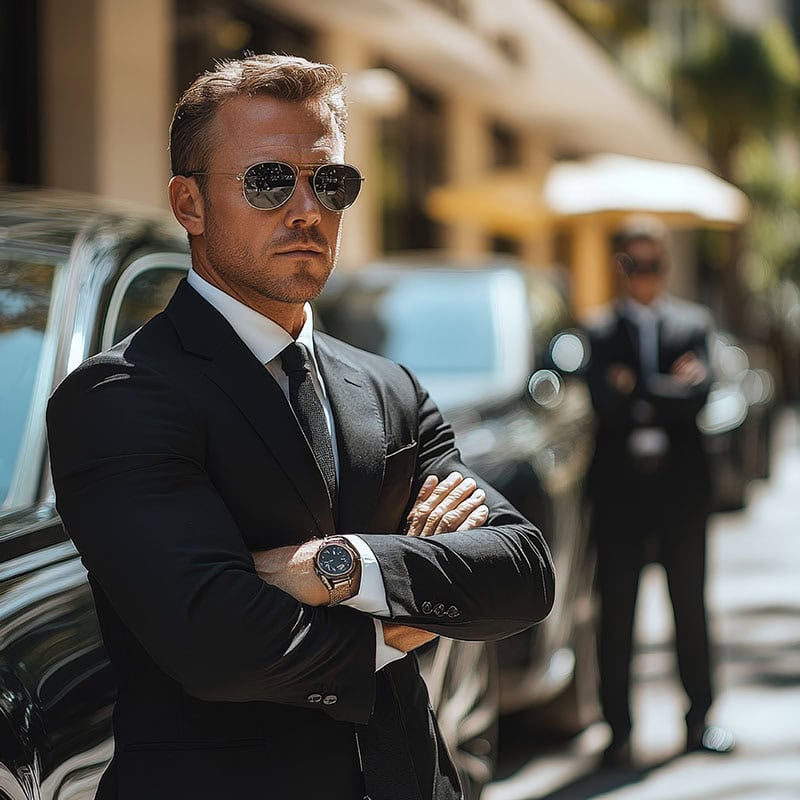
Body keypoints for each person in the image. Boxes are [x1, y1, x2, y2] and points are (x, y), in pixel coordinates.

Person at [45, 54, 555, 800]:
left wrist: (339, 565)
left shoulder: (390, 390)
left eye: (330, 182)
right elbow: (222, 646)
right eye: (268, 180)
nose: (307, 210)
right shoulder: (121, 396)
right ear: (189, 204)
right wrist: (409, 612)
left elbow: (520, 572)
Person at [583, 216, 735, 767]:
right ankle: (617, 731)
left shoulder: (693, 323)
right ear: (619, 267)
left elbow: (699, 399)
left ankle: (701, 721)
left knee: (689, 605)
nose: (643, 275)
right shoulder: (597, 332)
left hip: (682, 492)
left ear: (665, 267)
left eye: (653, 264)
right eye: (633, 264)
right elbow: (604, 401)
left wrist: (636, 387)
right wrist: (667, 387)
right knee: (615, 614)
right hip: (620, 494)